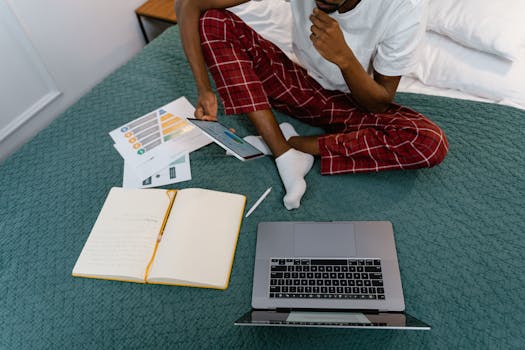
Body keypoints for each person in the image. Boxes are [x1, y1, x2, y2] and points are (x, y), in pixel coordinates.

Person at [175, 0, 449, 210]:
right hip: (296, 82)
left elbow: (378, 103)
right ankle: (282, 151)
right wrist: (204, 89)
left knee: (428, 142)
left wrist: (344, 58)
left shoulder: (404, 8)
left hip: (352, 102)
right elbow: (189, 3)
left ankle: (296, 144)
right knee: (214, 21)